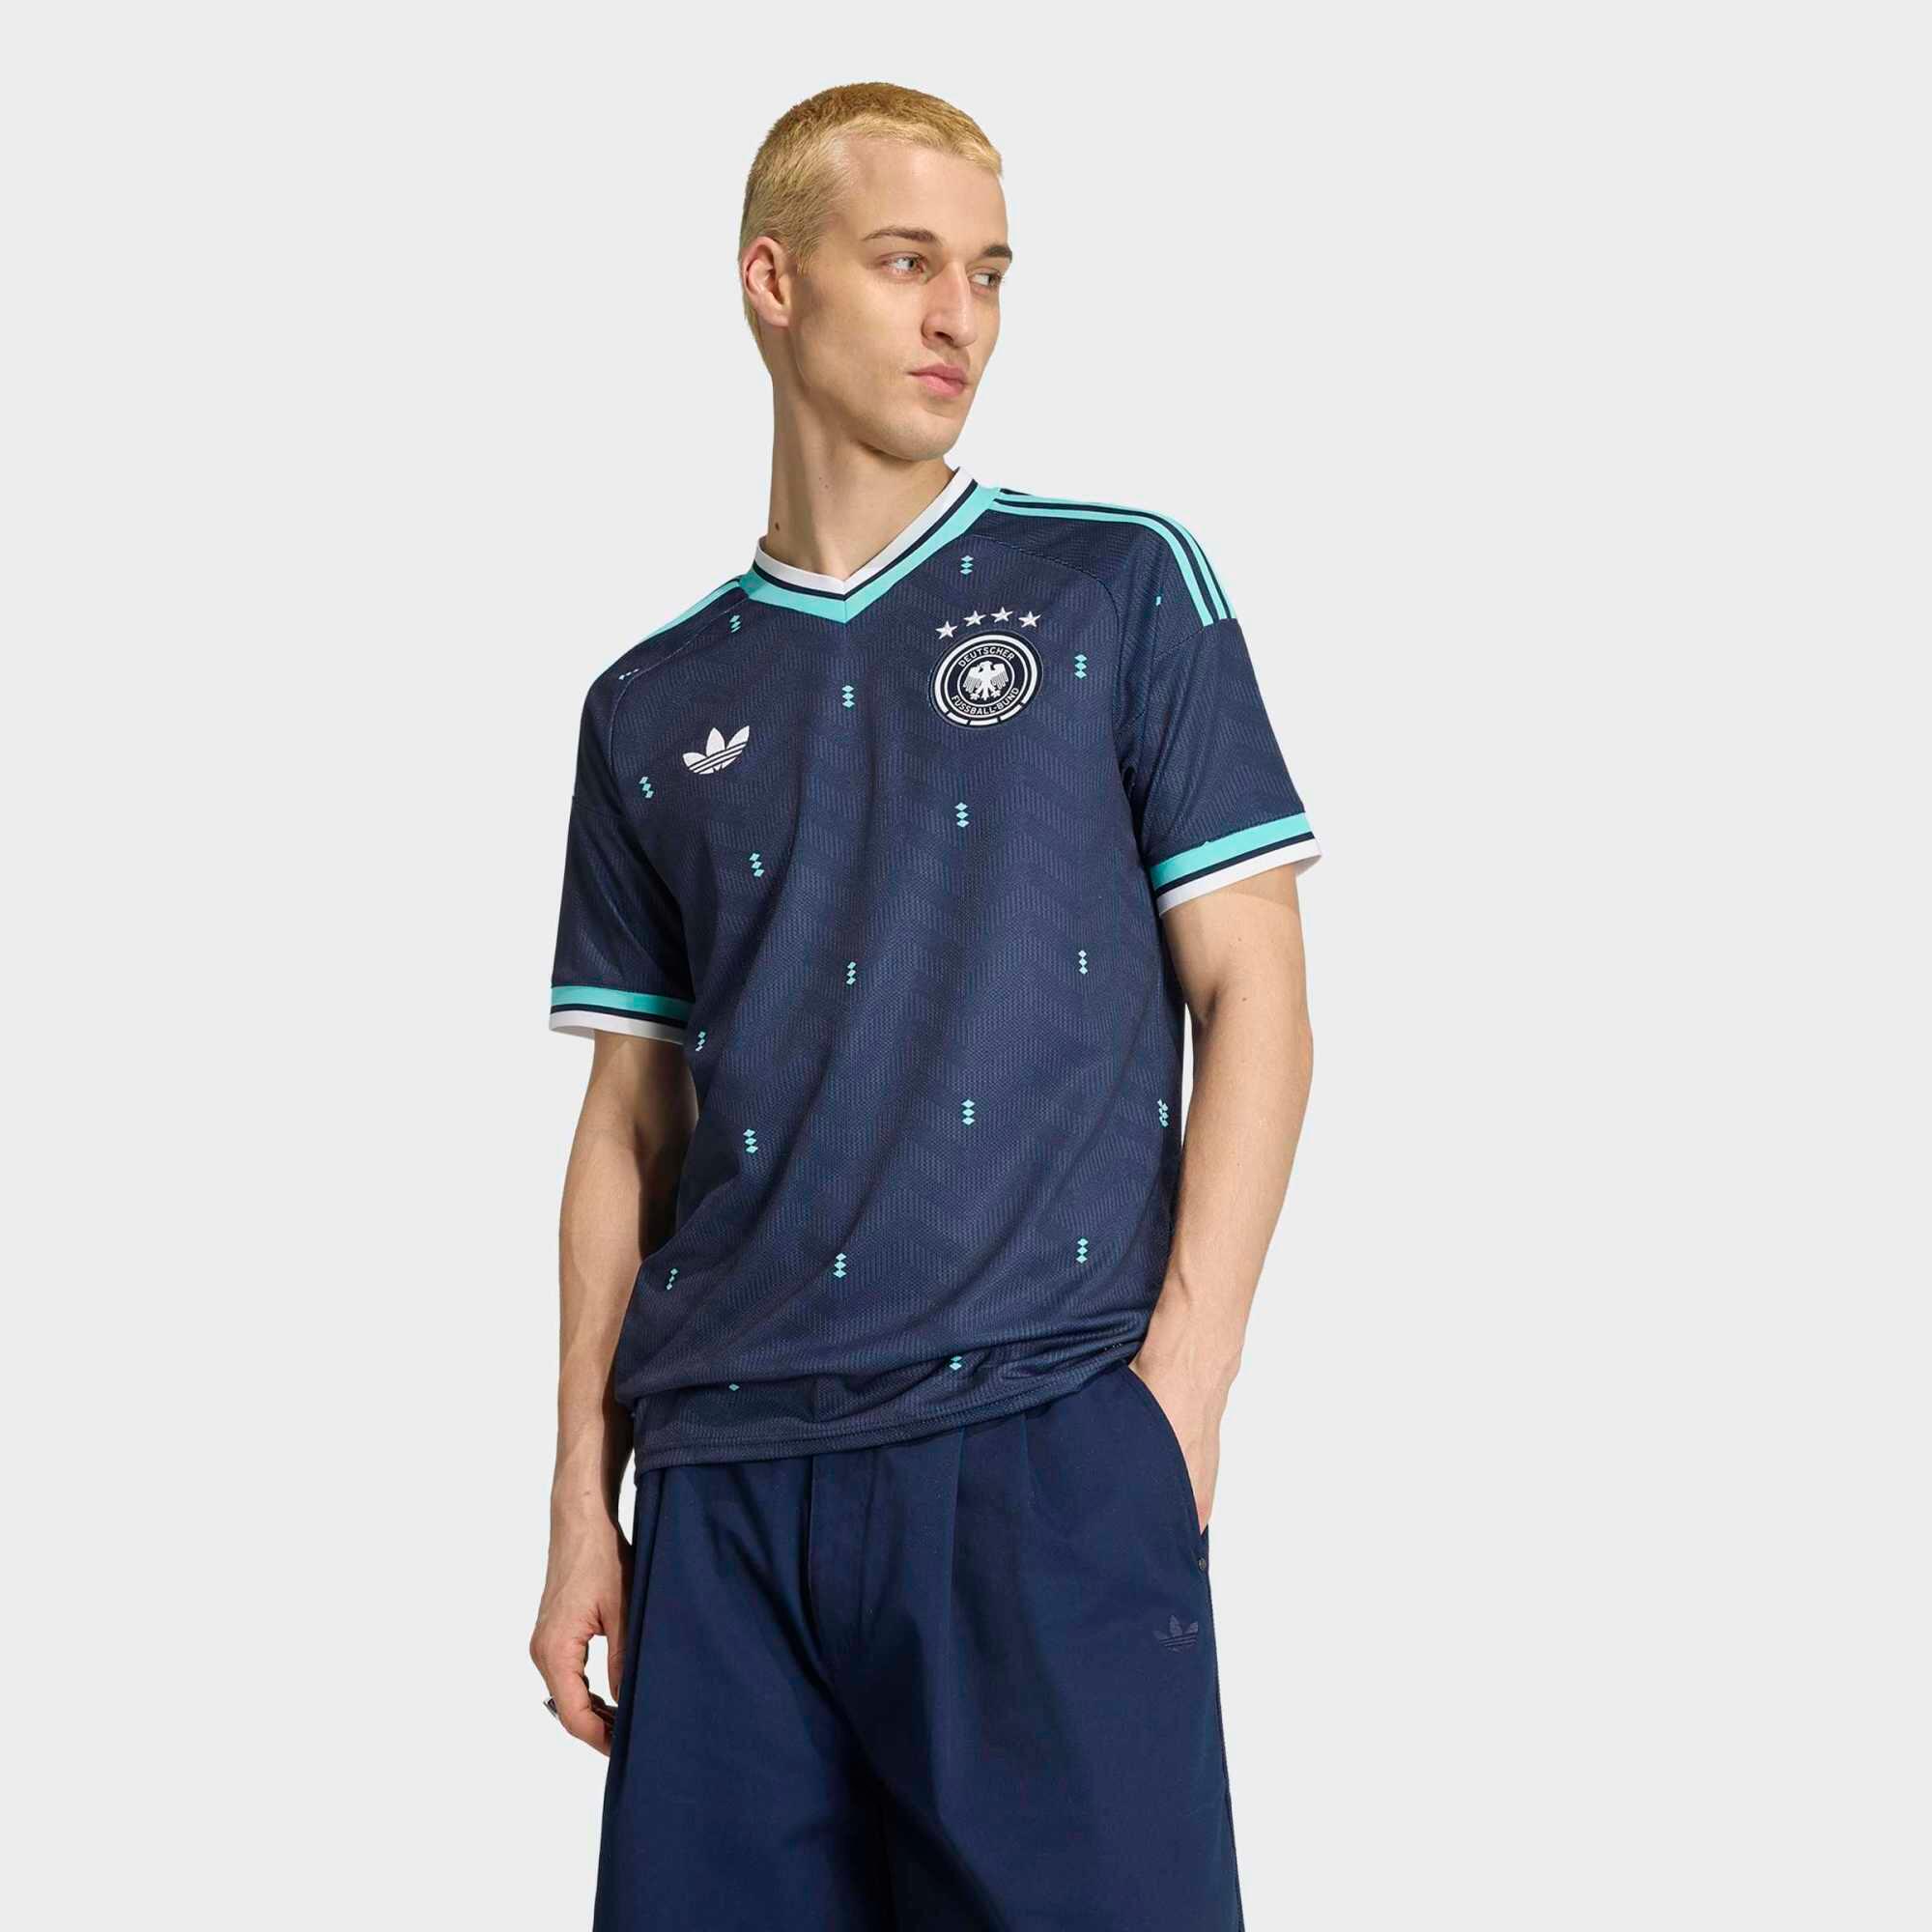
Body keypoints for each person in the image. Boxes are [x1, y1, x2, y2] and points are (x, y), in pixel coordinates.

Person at [530, 80, 1319, 1930]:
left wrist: (1174, 1407)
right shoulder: (650, 702)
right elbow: (629, 1126)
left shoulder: (1115, 586)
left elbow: (1259, 997)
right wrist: (583, 1499)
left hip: (1039, 1443)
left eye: (990, 272)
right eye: (907, 263)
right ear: (774, 281)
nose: (961, 315)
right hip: (725, 1493)